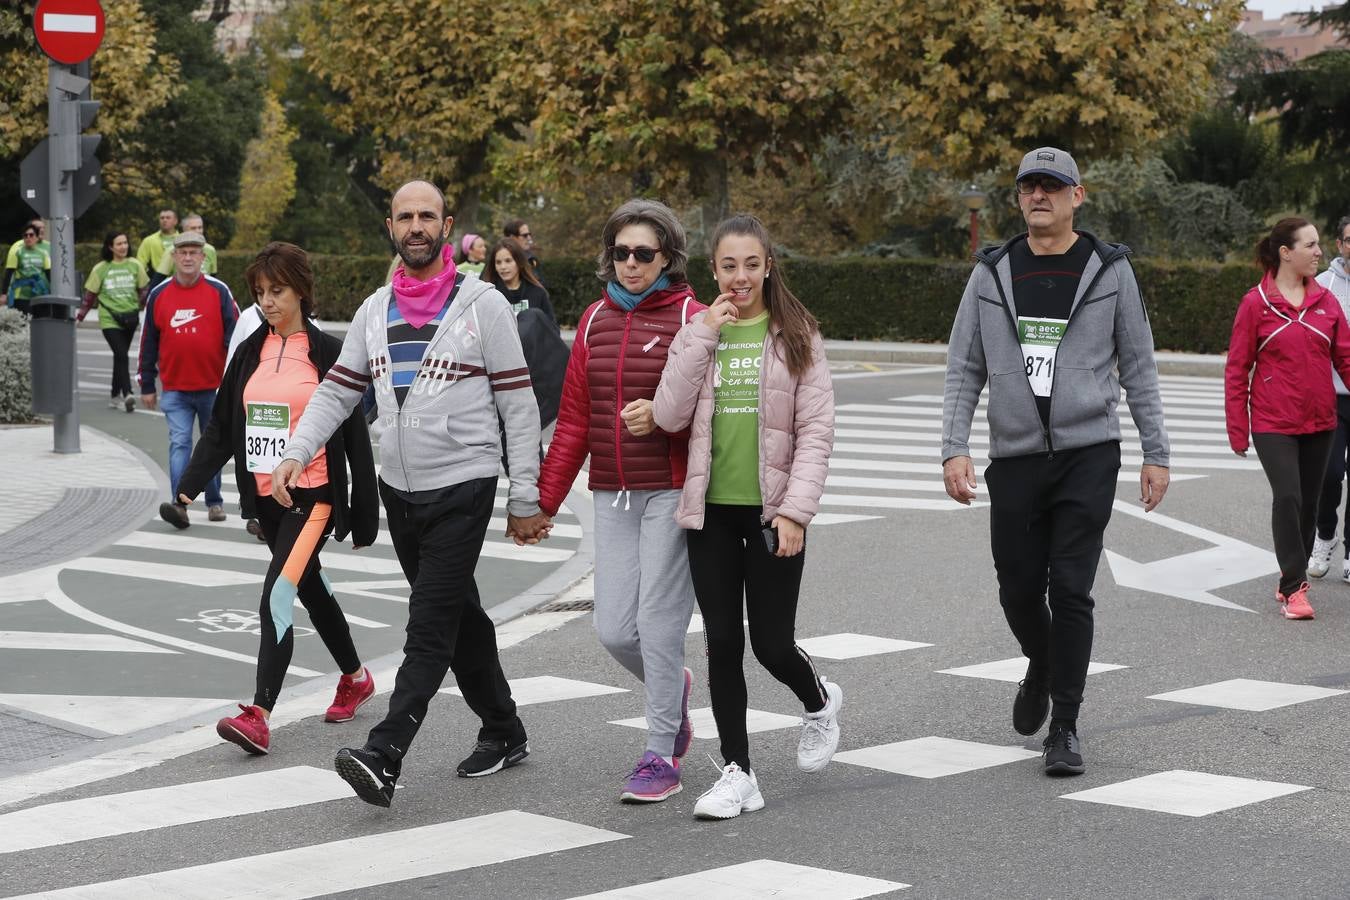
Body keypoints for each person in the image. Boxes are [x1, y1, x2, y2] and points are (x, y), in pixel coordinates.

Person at [270, 180, 546, 808]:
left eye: (428, 216)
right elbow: (339, 393)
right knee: (458, 617)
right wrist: (294, 451)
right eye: (405, 217)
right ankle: (504, 729)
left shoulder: (483, 306)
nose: (416, 226)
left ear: (447, 225)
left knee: (427, 623)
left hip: (465, 486)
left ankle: (385, 751)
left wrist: (524, 494)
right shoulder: (374, 311)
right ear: (390, 227)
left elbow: (518, 403)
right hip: (401, 491)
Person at [942, 147, 1171, 778]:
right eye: (1028, 186)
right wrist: (953, 447)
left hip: (1088, 454)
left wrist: (1157, 453)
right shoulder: (992, 272)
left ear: (1078, 195)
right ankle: (1042, 662)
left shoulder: (1109, 269)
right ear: (1019, 198)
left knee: (1071, 589)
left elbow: (1139, 366)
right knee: (1017, 587)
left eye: (1051, 185)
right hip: (1013, 458)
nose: (1038, 195)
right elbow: (965, 367)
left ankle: (1065, 726)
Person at [651, 214, 840, 821]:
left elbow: (816, 433)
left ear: (768, 266)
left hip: (770, 516)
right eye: (729, 266)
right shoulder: (699, 332)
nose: (740, 277)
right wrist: (704, 332)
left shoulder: (797, 334)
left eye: (751, 265)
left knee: (772, 645)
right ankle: (739, 772)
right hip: (710, 514)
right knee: (723, 643)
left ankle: (818, 701)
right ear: (714, 270)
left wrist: (795, 513)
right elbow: (670, 414)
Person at [175, 242, 380, 755]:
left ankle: (259, 714)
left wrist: (364, 514)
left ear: (301, 291)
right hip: (267, 501)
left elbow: (353, 435)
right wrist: (189, 484)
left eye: (277, 291)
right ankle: (355, 678)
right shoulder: (248, 352)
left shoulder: (329, 353)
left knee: (276, 595)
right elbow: (224, 426)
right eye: (260, 292)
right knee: (310, 587)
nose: (266, 301)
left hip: (314, 497)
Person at [536, 198, 705, 804]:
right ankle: (673, 689)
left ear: (668, 258)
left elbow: (709, 418)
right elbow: (575, 418)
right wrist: (545, 500)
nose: (630, 264)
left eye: (644, 253)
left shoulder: (693, 315)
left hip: (669, 488)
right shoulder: (591, 321)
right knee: (613, 630)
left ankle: (661, 752)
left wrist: (661, 421)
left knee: (659, 624)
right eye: (620, 252)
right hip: (611, 490)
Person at [1226, 217, 1350, 621]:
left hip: (1320, 420)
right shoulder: (1255, 303)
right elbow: (1237, 368)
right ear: (1286, 252)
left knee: (1310, 504)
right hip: (1272, 421)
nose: (1319, 252)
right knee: (1289, 496)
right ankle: (1294, 587)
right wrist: (1237, 428)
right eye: (1311, 245)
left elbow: (1345, 359)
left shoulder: (1326, 303)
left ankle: (1290, 567)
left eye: (1318, 245)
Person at [139, 231, 238, 529]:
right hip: (175, 388)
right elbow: (148, 341)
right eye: (182, 252)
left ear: (203, 257)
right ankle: (178, 504)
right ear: (173, 256)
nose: (188, 257)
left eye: (194, 252)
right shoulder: (159, 294)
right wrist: (146, 382)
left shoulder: (219, 291)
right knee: (180, 443)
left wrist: (236, 380)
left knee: (213, 446)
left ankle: (215, 501)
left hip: (213, 386)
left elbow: (235, 336)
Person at [1307, 215, 1350, 580]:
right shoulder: (1322, 285)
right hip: (1332, 397)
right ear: (1340, 245)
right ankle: (1325, 535)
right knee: (1330, 474)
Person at [77, 232, 149, 412]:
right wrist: (80, 317)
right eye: (119, 244)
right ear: (110, 247)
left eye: (125, 243)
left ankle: (114, 395)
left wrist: (143, 305)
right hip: (109, 318)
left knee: (120, 356)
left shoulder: (135, 265)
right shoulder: (101, 268)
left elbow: (144, 290)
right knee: (121, 354)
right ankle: (128, 393)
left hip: (130, 317)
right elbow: (90, 296)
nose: (123, 247)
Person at [484, 238, 557, 331]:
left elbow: (553, 330)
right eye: (498, 262)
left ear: (519, 262)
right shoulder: (489, 296)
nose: (503, 267)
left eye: (508, 261)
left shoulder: (538, 292)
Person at [2, 225, 50, 314]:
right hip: (21, 296)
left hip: (39, 294)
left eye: (31, 235)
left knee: (38, 324)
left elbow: (49, 274)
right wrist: (4, 294)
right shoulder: (17, 252)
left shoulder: (43, 254)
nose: (28, 237)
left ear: (36, 237)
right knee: (23, 325)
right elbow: (8, 273)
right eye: (25, 235)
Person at [137, 209, 179, 291]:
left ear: (175, 221)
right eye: (162, 218)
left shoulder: (182, 240)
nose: (164, 220)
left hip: (179, 282)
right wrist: (146, 284)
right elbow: (140, 265)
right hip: (158, 283)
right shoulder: (149, 240)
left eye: (168, 218)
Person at [504, 218, 543, 284]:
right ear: (512, 238)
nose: (529, 238)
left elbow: (541, 284)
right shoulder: (500, 260)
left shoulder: (532, 259)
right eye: (525, 235)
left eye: (529, 234)